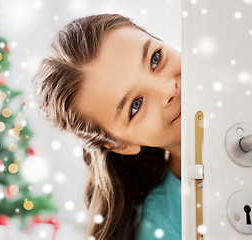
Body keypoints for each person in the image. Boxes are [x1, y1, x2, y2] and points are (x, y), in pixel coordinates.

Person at [32, 13, 181, 240]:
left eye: (155, 59)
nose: (168, 90)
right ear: (120, 144)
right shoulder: (161, 227)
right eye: (136, 105)